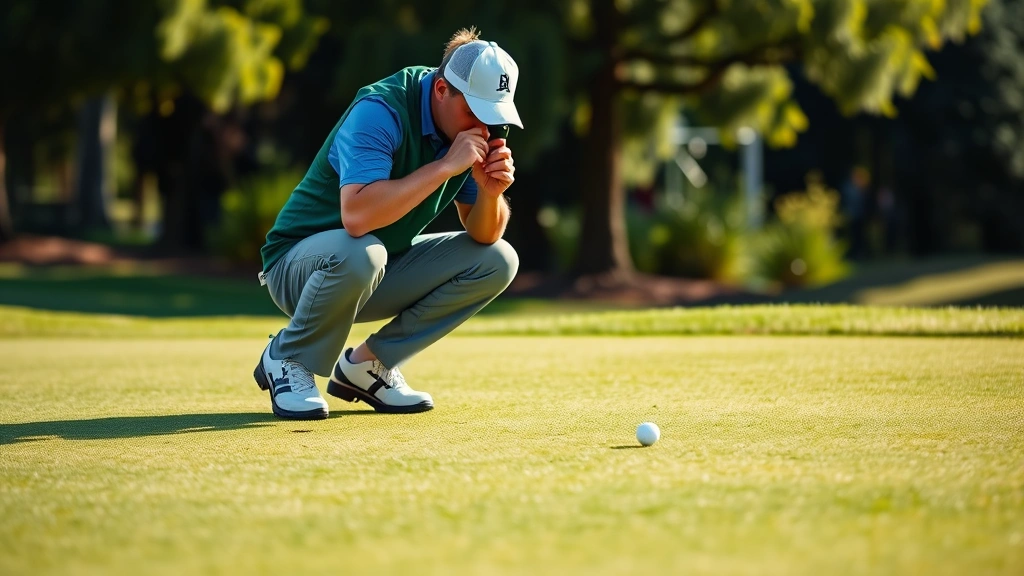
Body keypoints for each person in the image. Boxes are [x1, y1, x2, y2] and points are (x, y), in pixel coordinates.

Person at [253, 28, 522, 420]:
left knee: (498, 259)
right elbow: (358, 216)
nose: (484, 126)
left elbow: (483, 234)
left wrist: (490, 192)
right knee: (364, 250)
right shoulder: (381, 110)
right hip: (298, 267)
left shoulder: (469, 128)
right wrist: (445, 166)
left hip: (373, 268)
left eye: (494, 114)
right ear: (442, 89)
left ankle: (368, 365)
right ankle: (286, 356)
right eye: (475, 109)